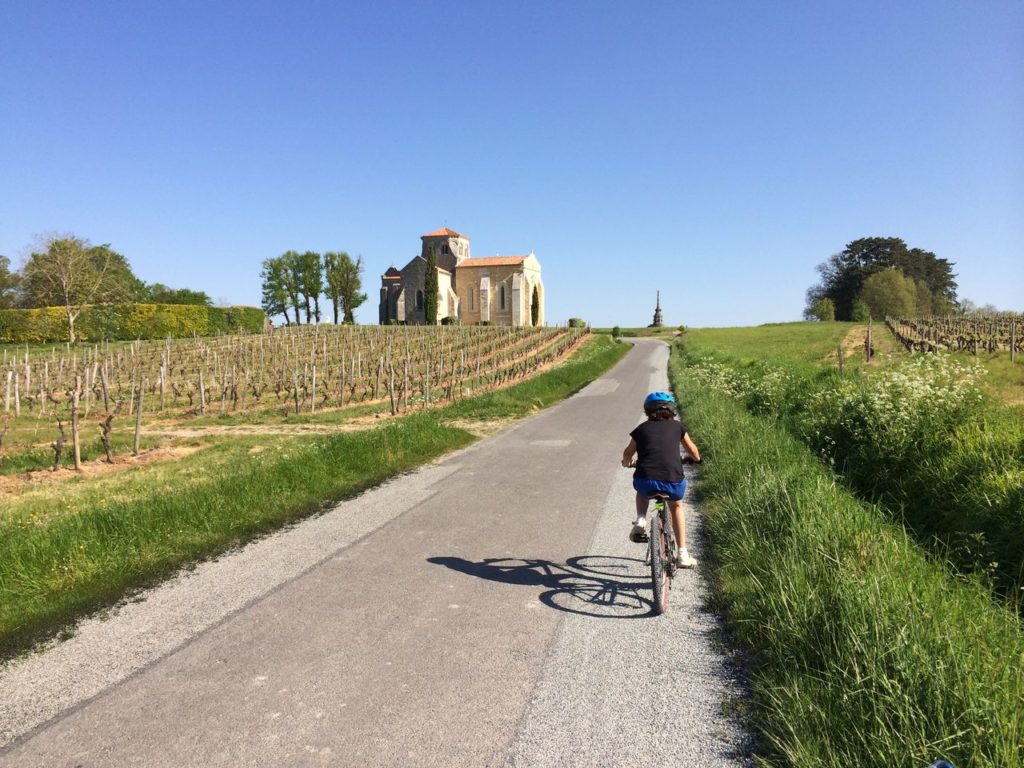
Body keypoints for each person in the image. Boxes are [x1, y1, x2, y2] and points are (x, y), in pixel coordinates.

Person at [621, 391, 701, 568]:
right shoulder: (677, 427)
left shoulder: (641, 429)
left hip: (646, 481)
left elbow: (628, 453)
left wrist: (627, 464)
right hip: (673, 483)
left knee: (642, 491)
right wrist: (697, 461)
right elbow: (693, 451)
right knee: (676, 505)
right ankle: (683, 554)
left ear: (648, 411)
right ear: (672, 410)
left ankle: (641, 518)